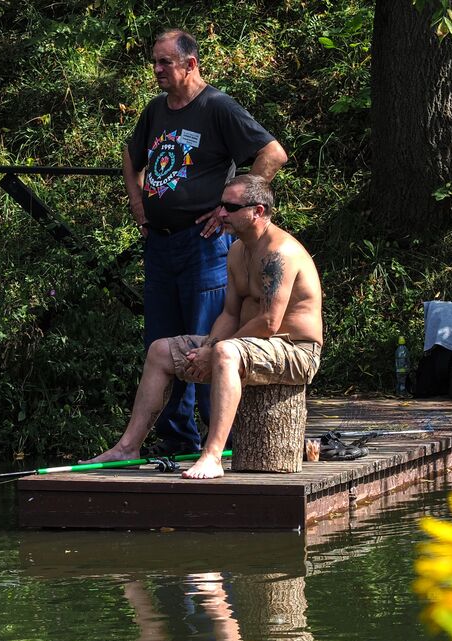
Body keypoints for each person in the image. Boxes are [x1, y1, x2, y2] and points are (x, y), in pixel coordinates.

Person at [84, 175, 322, 480]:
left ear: (258, 211)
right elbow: (230, 314)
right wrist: (207, 347)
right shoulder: (237, 251)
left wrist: (215, 351)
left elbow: (268, 322)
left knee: (225, 352)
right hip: (247, 345)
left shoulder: (280, 253)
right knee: (161, 351)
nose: (221, 213)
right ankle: (128, 448)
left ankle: (212, 456)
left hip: (296, 351)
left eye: (230, 207)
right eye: (221, 205)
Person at [125, 28, 288, 454]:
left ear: (191, 64)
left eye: (165, 62)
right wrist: (139, 205)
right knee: (162, 342)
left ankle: (220, 442)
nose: (157, 69)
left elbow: (272, 153)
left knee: (206, 341)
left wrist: (230, 207)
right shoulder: (155, 110)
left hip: (203, 244)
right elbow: (131, 155)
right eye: (155, 62)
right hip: (159, 246)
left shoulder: (217, 107)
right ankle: (177, 441)